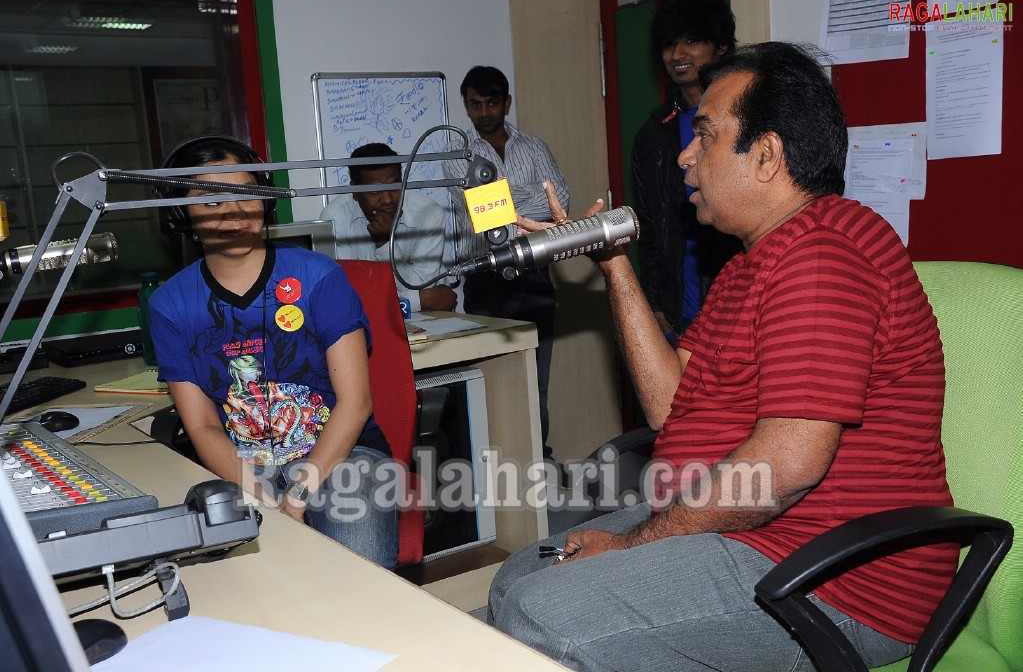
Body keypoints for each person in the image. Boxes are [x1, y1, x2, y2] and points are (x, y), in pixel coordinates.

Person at [487, 43, 957, 671]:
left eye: (704, 134)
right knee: (517, 577)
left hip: (834, 582)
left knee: (543, 611)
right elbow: (670, 407)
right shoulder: (747, 267)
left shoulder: (825, 256)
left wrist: (632, 548)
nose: (685, 154)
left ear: (768, 156)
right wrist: (614, 264)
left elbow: (786, 468)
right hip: (753, 538)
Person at [148, 135, 399, 570]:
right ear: (180, 213)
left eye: (244, 194)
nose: (231, 212)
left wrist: (296, 500)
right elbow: (203, 426)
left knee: (360, 568)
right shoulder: (171, 305)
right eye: (209, 201)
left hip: (340, 452)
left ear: (264, 198)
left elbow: (356, 403)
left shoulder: (320, 277)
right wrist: (264, 502)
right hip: (242, 467)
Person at [445, 65, 569, 457]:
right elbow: (483, 214)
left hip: (535, 276)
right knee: (490, 377)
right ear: (466, 107)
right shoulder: (457, 154)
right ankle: (497, 463)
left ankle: (538, 459)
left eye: (492, 102)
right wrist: (529, 196)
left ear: (506, 102)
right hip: (487, 280)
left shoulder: (533, 146)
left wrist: (501, 195)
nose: (484, 112)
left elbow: (560, 203)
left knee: (538, 379)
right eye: (475, 104)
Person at [632, 0, 741, 343]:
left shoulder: (747, 118)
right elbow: (648, 226)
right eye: (668, 44)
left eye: (691, 40)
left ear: (721, 46)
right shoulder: (653, 133)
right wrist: (654, 303)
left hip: (737, 310)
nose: (677, 55)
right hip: (675, 318)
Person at [319, 142, 457, 313]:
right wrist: (423, 299)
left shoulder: (429, 214)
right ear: (354, 191)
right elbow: (350, 295)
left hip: (430, 319)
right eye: (375, 191)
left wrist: (385, 244)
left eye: (394, 186)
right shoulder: (334, 220)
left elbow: (420, 283)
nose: (387, 200)